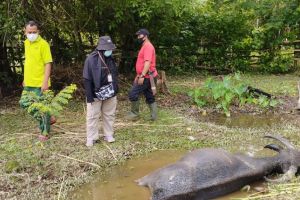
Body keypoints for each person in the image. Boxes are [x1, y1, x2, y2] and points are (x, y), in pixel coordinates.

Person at [19, 20, 55, 141]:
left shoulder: (43, 44)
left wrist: (45, 81)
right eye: (30, 32)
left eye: (34, 32)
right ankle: (48, 119)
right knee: (24, 103)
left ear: (38, 31)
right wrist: (24, 78)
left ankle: (45, 132)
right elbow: (29, 62)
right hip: (28, 82)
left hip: (41, 82)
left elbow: (48, 63)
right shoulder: (26, 43)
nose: (32, 34)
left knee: (42, 107)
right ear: (25, 31)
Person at [83, 36, 118, 147]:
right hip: (95, 92)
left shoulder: (110, 58)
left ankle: (108, 134)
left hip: (110, 92)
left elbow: (114, 75)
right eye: (107, 49)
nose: (109, 51)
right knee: (92, 116)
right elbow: (87, 78)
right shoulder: (91, 59)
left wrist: (115, 89)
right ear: (101, 48)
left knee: (109, 114)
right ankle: (91, 137)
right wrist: (89, 96)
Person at [127, 28, 158, 121]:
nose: (138, 37)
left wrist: (142, 76)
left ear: (145, 36)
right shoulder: (144, 46)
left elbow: (147, 62)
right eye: (137, 35)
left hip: (147, 76)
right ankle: (154, 116)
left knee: (133, 93)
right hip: (148, 76)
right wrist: (138, 74)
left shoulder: (148, 46)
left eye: (139, 35)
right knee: (149, 95)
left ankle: (134, 114)